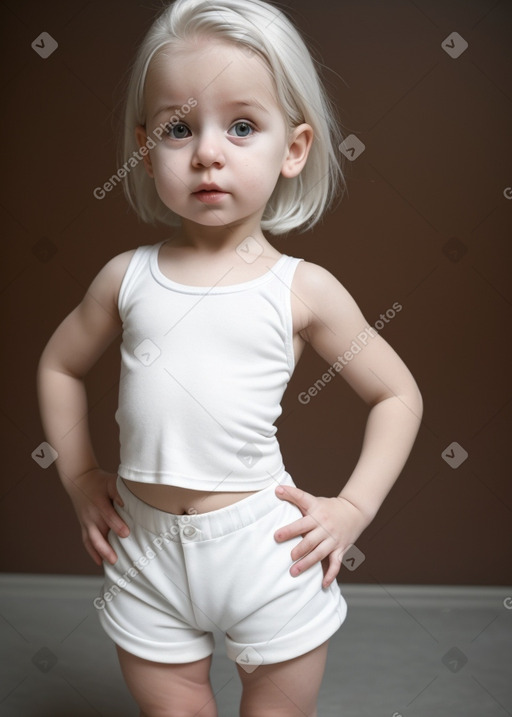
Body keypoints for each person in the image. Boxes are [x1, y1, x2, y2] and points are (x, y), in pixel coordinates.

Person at [37, 0, 423, 715]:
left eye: (242, 126)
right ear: (146, 150)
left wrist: (351, 509)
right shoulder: (126, 278)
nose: (208, 151)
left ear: (294, 147)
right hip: (145, 552)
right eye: (179, 128)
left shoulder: (302, 289)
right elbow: (58, 365)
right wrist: (81, 474)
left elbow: (398, 396)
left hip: (263, 547)